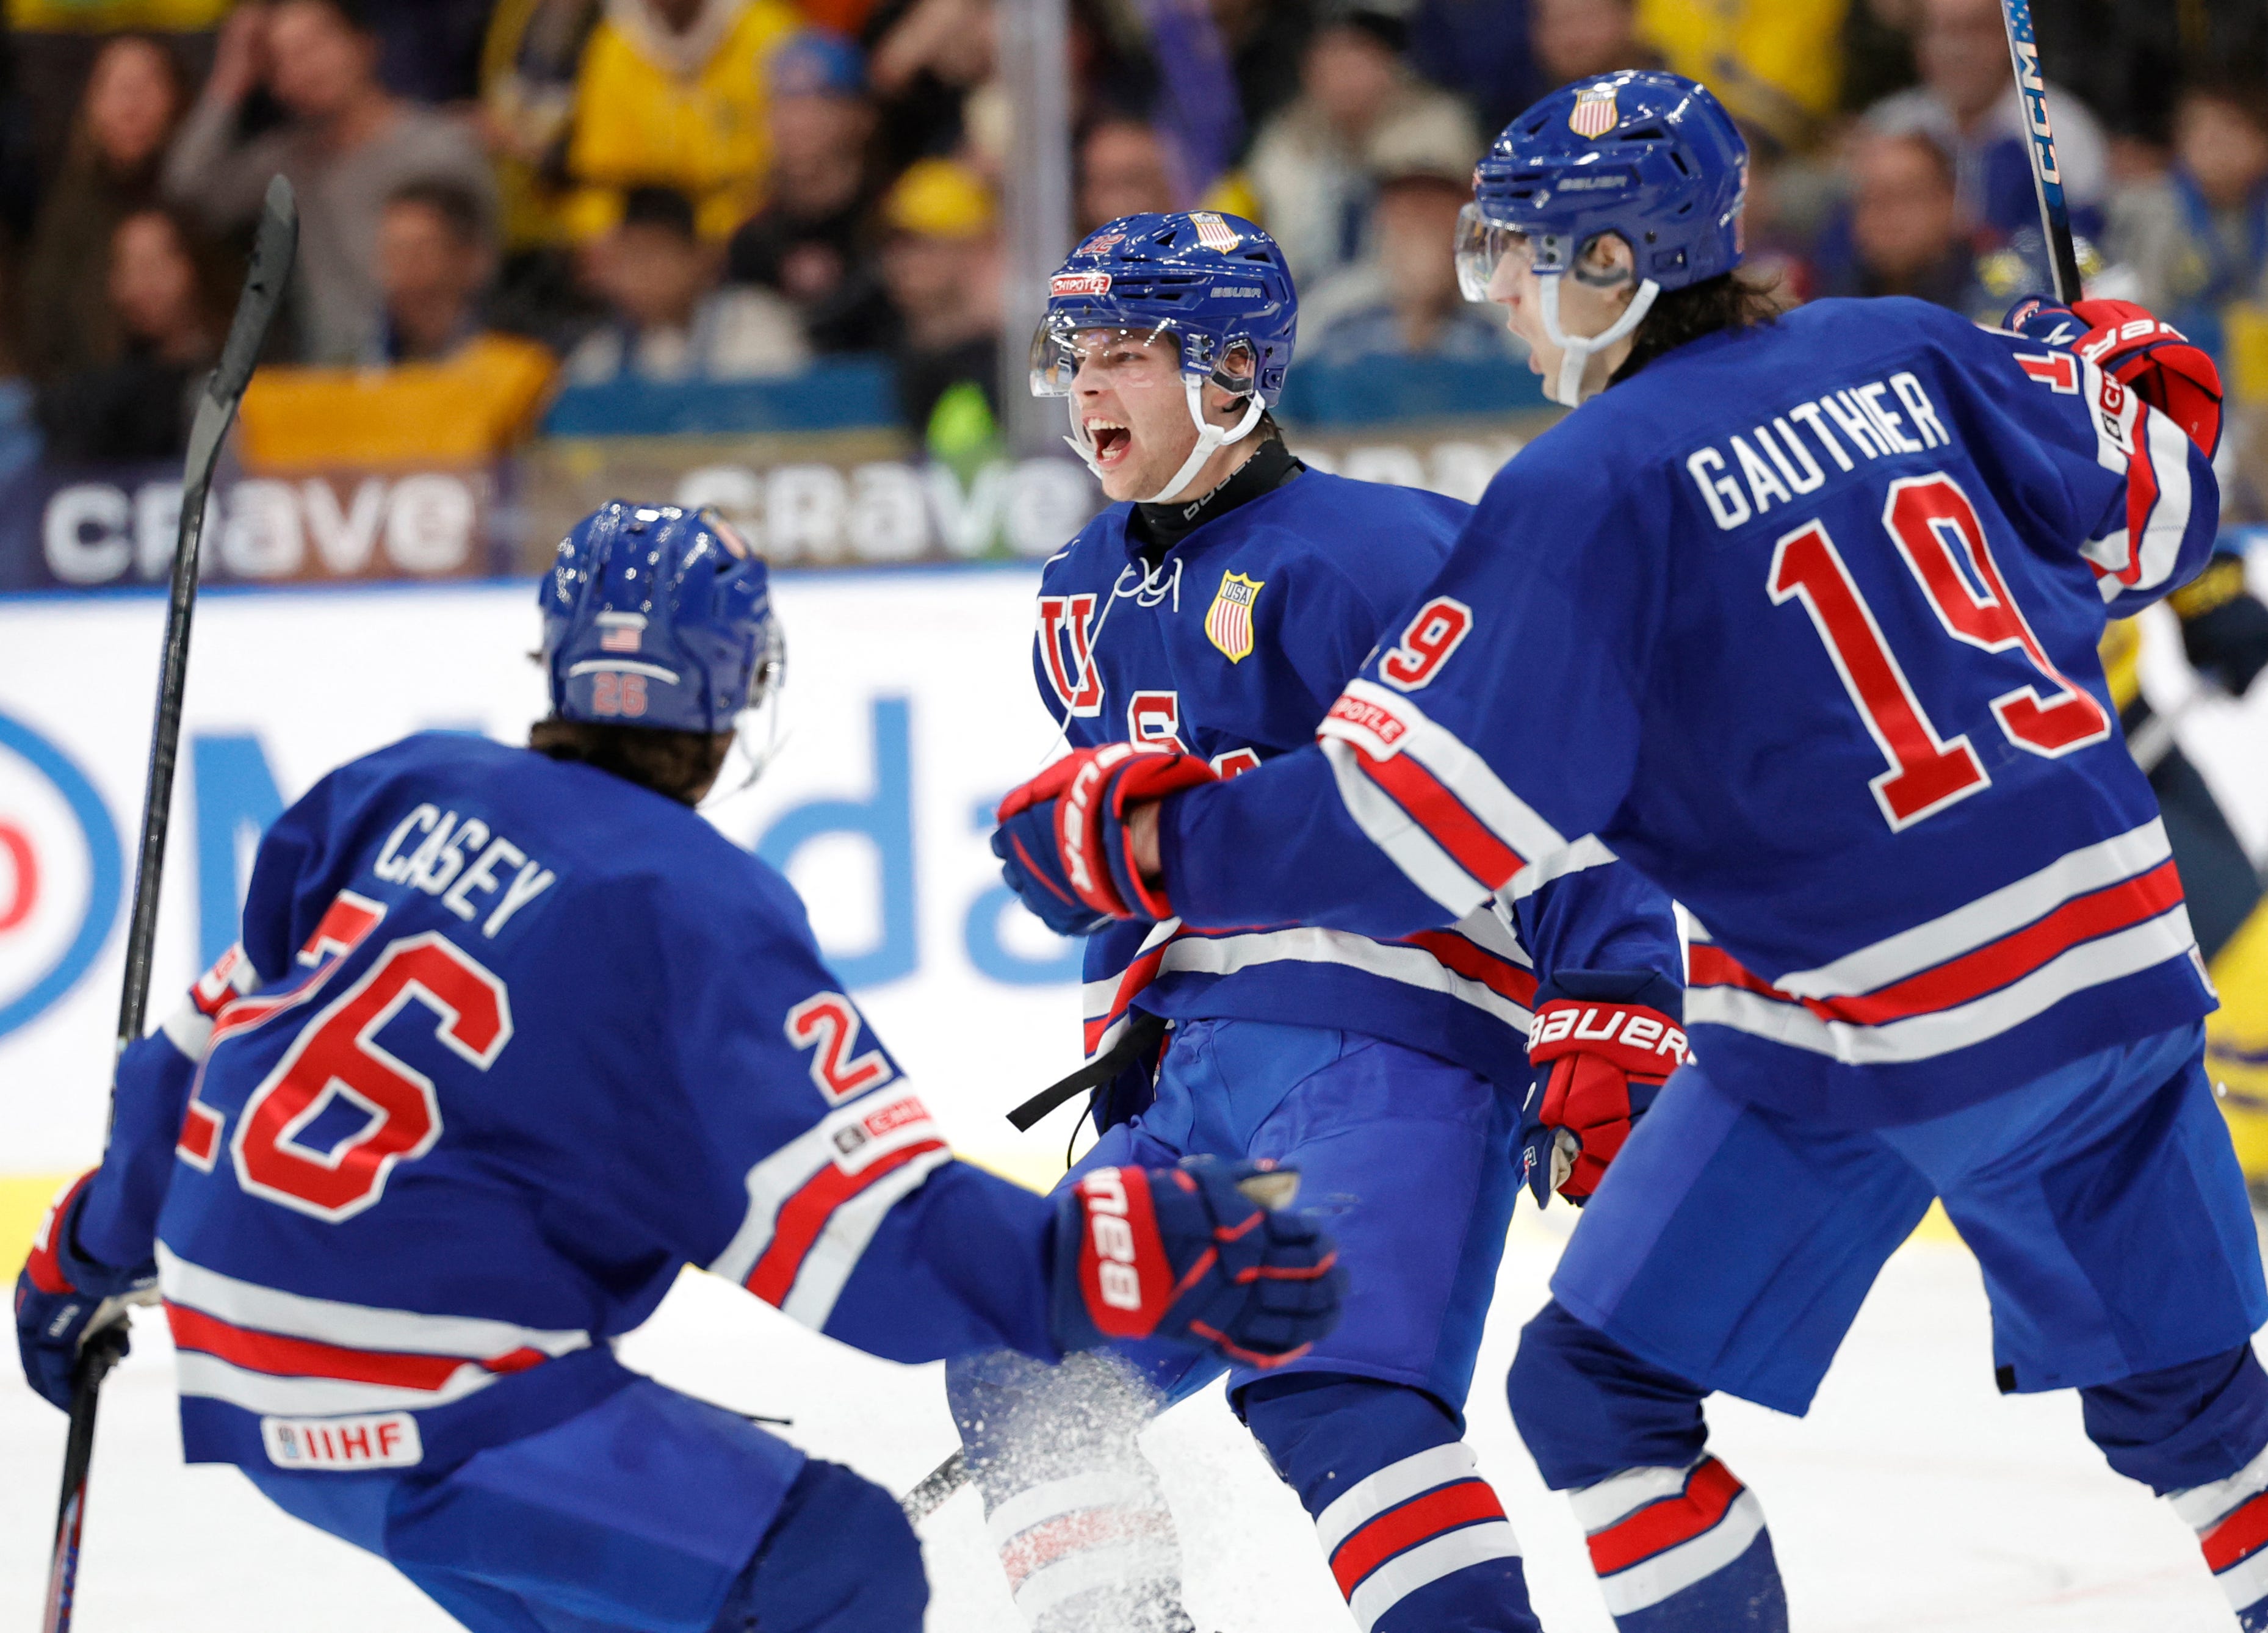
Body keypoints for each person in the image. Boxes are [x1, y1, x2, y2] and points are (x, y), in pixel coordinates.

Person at [989, 70, 2268, 1631]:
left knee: (1592, 1394)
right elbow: (2154, 516)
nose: (1498, 301)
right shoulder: (1903, 342)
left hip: (1866, 1012)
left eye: (1515, 258)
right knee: (2196, 1416)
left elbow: (1416, 818)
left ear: (1608, 267)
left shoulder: (1579, 491)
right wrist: (2123, 376)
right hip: (2118, 967)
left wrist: (1147, 837)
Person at [13, 501, 1341, 1633]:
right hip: (434, 1398)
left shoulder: (395, 787)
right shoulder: (695, 909)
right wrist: (1125, 1253)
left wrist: (80, 1259)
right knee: (839, 1561)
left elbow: (184, 1065)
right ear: (741, 694)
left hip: (242, 1362)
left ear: (555, 655)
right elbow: (875, 1251)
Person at [959, 210, 1682, 1633]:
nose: (1088, 389)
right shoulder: (1075, 595)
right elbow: (1139, 867)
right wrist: (1130, 1023)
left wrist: (1611, 993)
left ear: (1232, 367)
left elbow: (1553, 761)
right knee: (1015, 1362)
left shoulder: (1376, 551)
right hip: (1194, 1076)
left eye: (1127, 355)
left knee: (1334, 1392)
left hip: (1384, 1042)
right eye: (1076, 357)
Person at [164, 0, 498, 364]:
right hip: (331, 382)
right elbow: (187, 195)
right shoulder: (287, 162)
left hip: (439, 373)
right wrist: (230, 78)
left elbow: (484, 271)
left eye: (314, 47)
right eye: (282, 61)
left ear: (365, 46)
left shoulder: (440, 147)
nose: (303, 69)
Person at [1245, 2, 1481, 285]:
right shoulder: (1287, 135)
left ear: (1390, 64)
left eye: (1358, 58)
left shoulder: (1437, 127)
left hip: (1410, 299)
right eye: (1331, 57)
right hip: (1302, 299)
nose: (1343, 74)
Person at [1864, 0, 2109, 250]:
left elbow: (2085, 249)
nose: (1958, 49)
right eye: (1942, 30)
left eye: (1976, 29)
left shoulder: (2059, 131)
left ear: (2013, 37)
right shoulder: (1891, 127)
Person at [19, 34, 189, 386]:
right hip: (94, 403)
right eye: (116, 86)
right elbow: (45, 332)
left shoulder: (205, 201)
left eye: (146, 84)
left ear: (178, 98)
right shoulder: (62, 207)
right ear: (89, 104)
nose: (132, 102)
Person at [558, 0, 801, 242]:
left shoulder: (769, 34)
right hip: (649, 243)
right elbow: (599, 182)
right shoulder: (614, 45)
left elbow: (795, 170)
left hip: (755, 236)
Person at [723, 29, 894, 355]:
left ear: (861, 117)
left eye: (817, 102)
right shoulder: (752, 242)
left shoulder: (893, 224)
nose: (796, 123)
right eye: (784, 103)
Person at [566, 185, 809, 383]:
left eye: (652, 256)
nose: (638, 275)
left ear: (699, 258)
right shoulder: (601, 355)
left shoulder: (755, 325)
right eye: (627, 260)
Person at [35, 206, 223, 462]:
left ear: (190, 268)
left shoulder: (244, 360)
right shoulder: (95, 392)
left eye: (153, 266)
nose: (140, 285)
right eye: (127, 269)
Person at [2107, 75, 2268, 362]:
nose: (2217, 150)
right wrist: (2223, 331)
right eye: (2203, 135)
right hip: (2166, 365)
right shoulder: (2152, 208)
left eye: (2231, 135)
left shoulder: (2260, 209)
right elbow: (2137, 314)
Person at [875, 157, 1002, 442]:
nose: (903, 262)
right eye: (894, 245)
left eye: (923, 244)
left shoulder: (1012, 357)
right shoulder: (888, 340)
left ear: (979, 248)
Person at [1809, 129, 1987, 313]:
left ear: (1949, 202)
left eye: (1904, 195)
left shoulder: (1996, 302)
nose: (1885, 215)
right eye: (1870, 199)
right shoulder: (1835, 303)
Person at [372, 179, 499, 362]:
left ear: (469, 258)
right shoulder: (362, 364)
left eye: (420, 252)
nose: (403, 269)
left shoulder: (527, 361)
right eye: (393, 251)